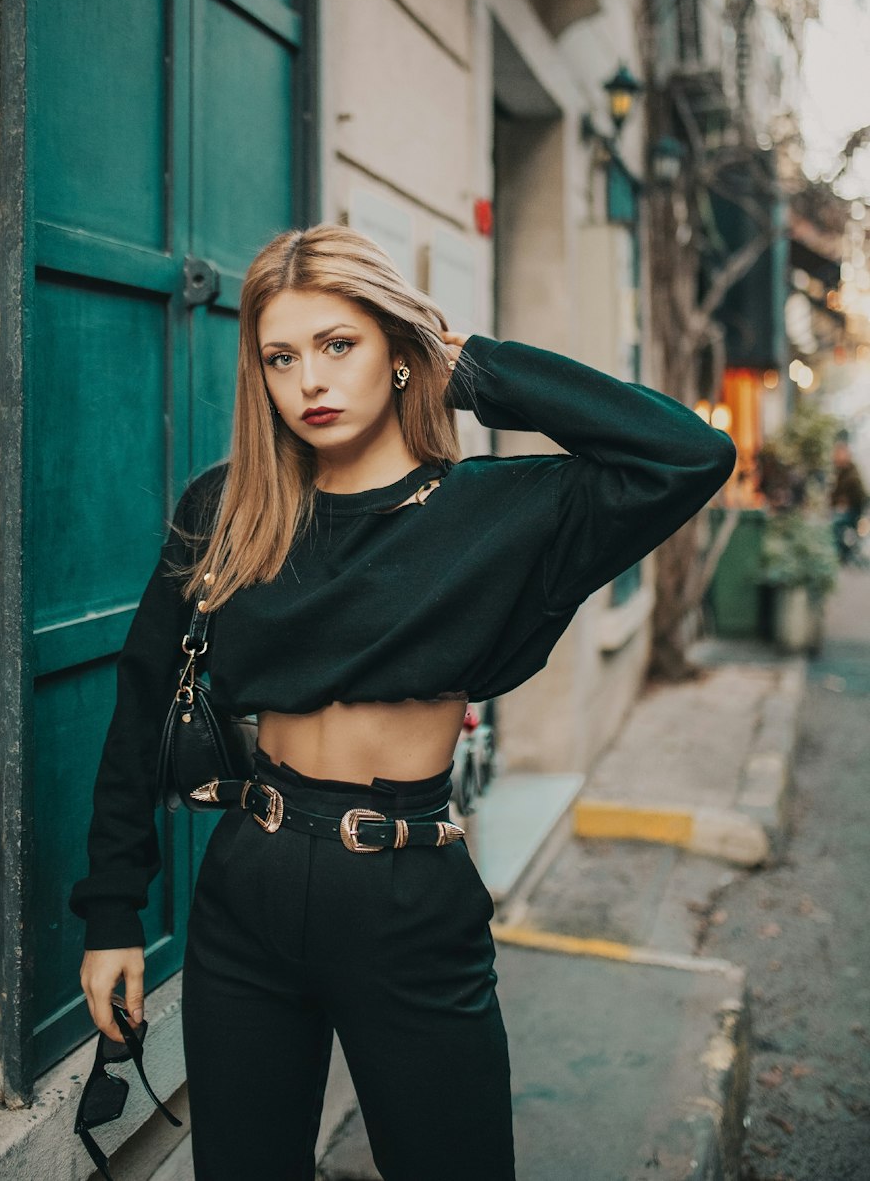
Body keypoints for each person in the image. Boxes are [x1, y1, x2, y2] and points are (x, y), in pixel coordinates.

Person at [69, 222, 737, 1181]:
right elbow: (139, 714)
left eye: (340, 345)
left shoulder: (496, 514)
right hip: (247, 887)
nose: (311, 381)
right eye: (282, 357)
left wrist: (470, 367)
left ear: (394, 353)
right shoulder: (228, 512)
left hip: (406, 894)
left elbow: (687, 455)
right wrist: (112, 918)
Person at [829, 431, 868, 564]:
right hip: (845, 511)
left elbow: (860, 496)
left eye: (838, 453)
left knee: (835, 522)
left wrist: (846, 504)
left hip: (852, 513)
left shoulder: (851, 474)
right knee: (831, 519)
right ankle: (841, 553)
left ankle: (840, 555)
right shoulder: (841, 472)